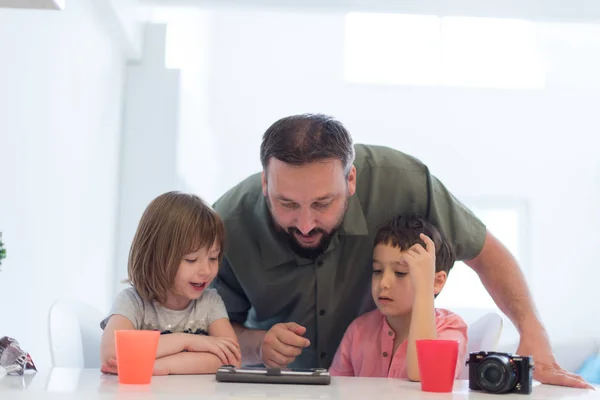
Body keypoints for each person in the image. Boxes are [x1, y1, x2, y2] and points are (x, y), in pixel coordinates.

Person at [211, 113, 590, 388]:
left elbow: (486, 253)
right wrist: (259, 345)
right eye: (287, 204)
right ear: (265, 183)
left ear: (352, 180)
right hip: (274, 388)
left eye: (324, 203)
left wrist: (533, 332)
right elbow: (212, 330)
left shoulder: (405, 182)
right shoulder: (226, 222)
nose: (307, 223)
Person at [100, 191, 241, 375]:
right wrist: (187, 341)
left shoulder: (210, 303)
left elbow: (232, 360)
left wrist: (157, 366)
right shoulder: (132, 302)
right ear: (155, 257)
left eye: (213, 258)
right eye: (191, 260)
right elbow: (112, 354)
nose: (206, 270)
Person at [329, 214, 467, 380]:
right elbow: (335, 389)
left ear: (437, 281)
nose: (384, 283)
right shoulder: (359, 330)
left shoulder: (451, 329)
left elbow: (424, 376)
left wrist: (424, 289)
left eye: (400, 273)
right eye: (377, 271)